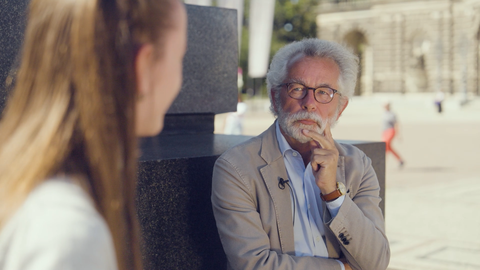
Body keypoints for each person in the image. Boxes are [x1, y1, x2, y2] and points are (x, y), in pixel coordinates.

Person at [0, 0, 187, 269]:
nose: (179, 80)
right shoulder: (70, 234)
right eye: (180, 56)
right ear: (143, 67)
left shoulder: (25, 184)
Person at [212, 39, 390, 270]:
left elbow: (375, 262)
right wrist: (341, 268)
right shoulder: (236, 168)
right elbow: (253, 265)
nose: (309, 103)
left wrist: (333, 194)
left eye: (324, 92)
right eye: (297, 88)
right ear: (275, 99)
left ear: (341, 107)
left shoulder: (359, 164)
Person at [382, 102, 404, 168]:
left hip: (391, 130)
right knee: (387, 147)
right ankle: (400, 160)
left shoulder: (392, 114)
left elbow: (396, 124)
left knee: (386, 145)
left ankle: (383, 162)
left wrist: (398, 134)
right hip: (385, 132)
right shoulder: (384, 113)